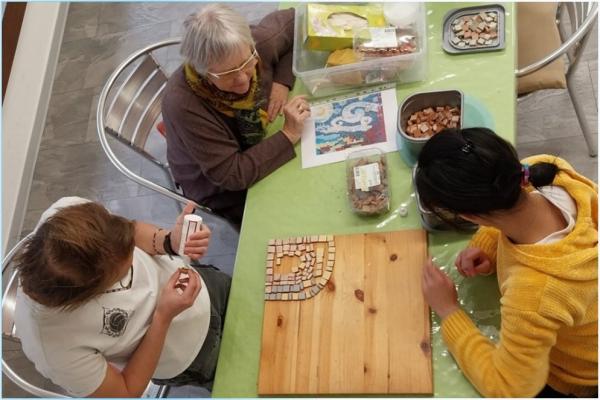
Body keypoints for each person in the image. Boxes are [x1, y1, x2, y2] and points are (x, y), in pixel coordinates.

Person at [416, 128, 597, 397]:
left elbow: (507, 386)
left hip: (581, 371)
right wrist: (486, 247)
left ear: (470, 216)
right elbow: (515, 214)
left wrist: (448, 310)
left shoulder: (534, 294)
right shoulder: (542, 170)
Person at [14, 197, 231, 397]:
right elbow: (126, 392)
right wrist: (162, 317)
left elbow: (129, 231)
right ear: (95, 294)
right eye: (124, 272)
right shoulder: (53, 349)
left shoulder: (67, 215)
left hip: (208, 285)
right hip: (191, 355)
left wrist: (168, 242)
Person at [162, 4, 311, 227]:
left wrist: (282, 81)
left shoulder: (256, 44)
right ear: (203, 72)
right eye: (227, 74)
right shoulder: (183, 104)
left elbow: (301, 22)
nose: (242, 80)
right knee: (296, 216)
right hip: (222, 188)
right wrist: (288, 134)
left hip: (257, 143)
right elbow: (232, 175)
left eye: (246, 64)